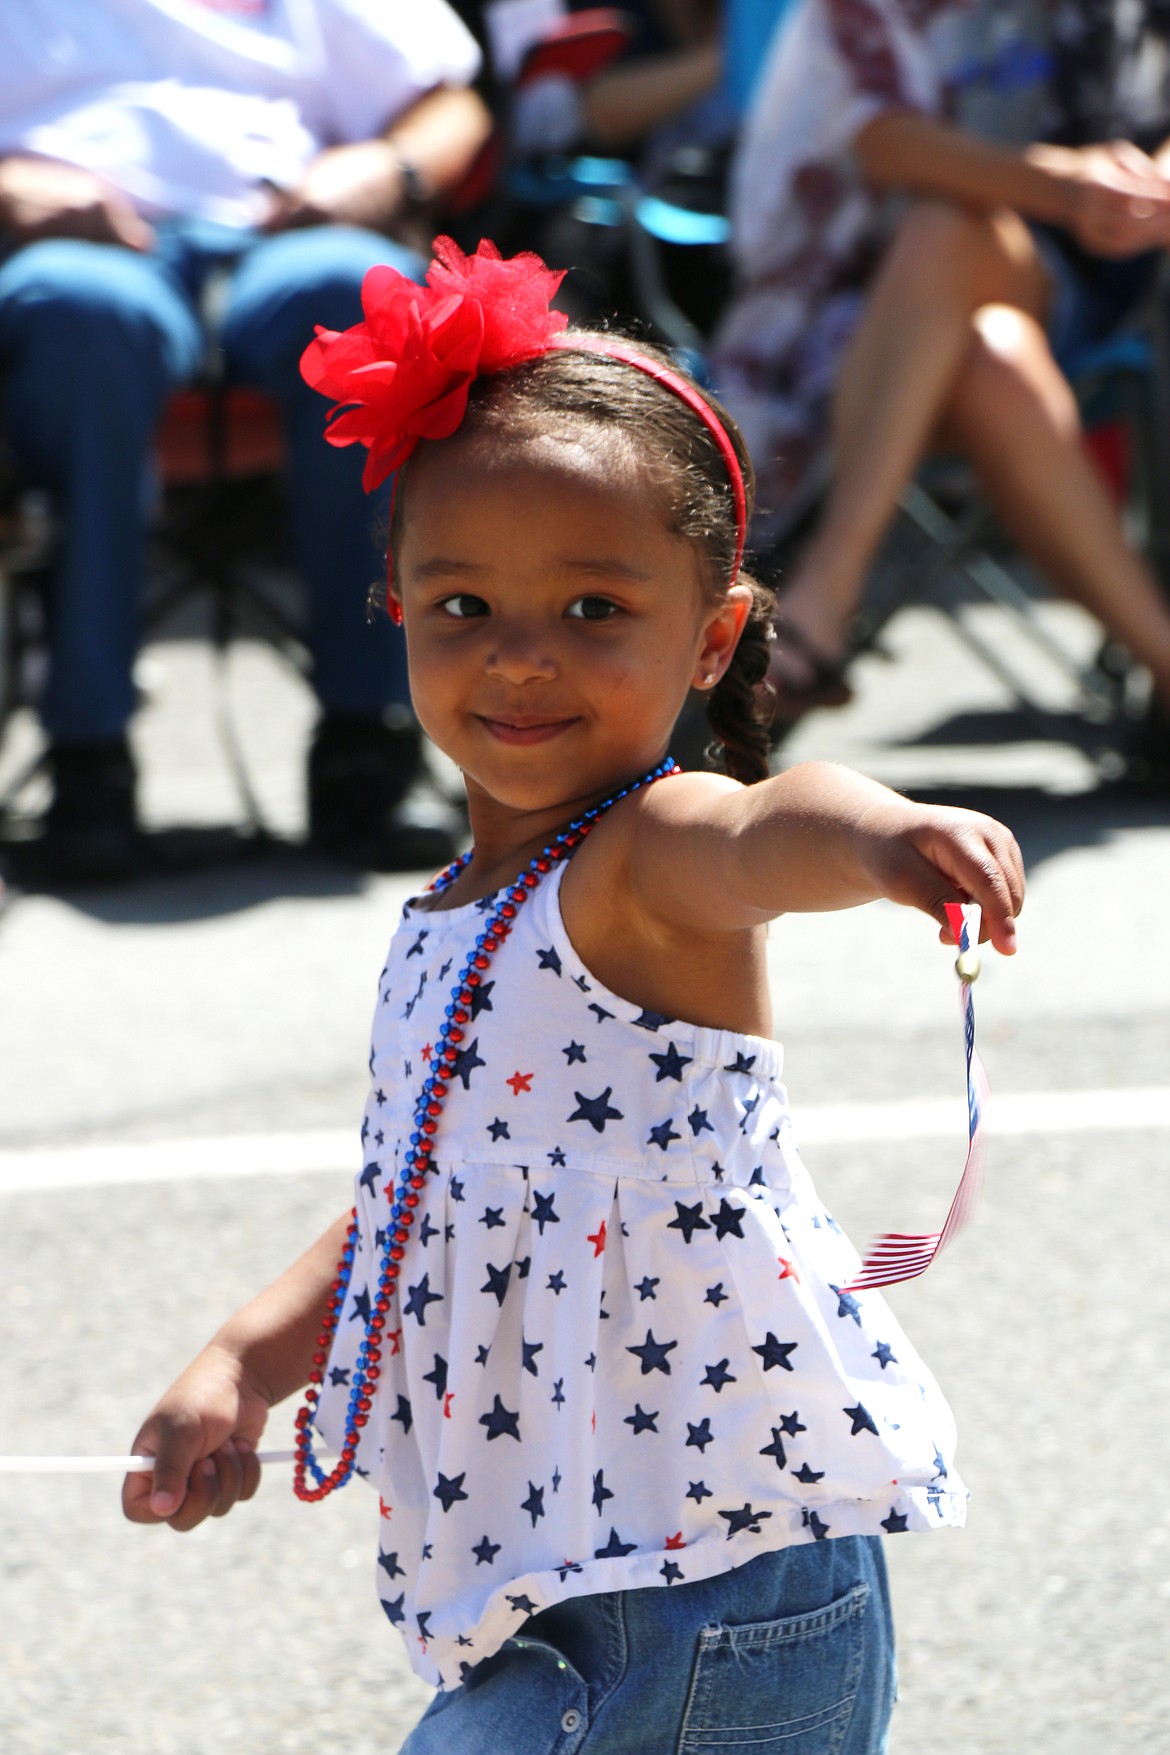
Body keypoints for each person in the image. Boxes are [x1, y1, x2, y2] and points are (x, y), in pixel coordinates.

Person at [121, 239, 1025, 1751]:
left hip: (713, 1595)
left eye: (595, 608)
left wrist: (880, 837)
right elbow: (428, 1187)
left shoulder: (644, 856)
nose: (522, 656)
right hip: (551, 1583)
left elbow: (765, 820)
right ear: (393, 610)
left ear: (715, 633)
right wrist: (243, 1358)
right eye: (462, 602)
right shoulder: (456, 908)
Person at [0, 0, 492, 880]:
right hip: (72, 247)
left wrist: (389, 166)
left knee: (365, 292)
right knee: (81, 314)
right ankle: (87, 759)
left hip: (282, 236)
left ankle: (368, 744)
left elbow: (452, 102)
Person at [710, 0, 1170, 739]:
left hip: (1075, 282)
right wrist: (1063, 186)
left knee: (948, 229)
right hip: (861, 311)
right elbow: (874, 141)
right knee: (993, 358)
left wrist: (1149, 190)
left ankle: (825, 598)